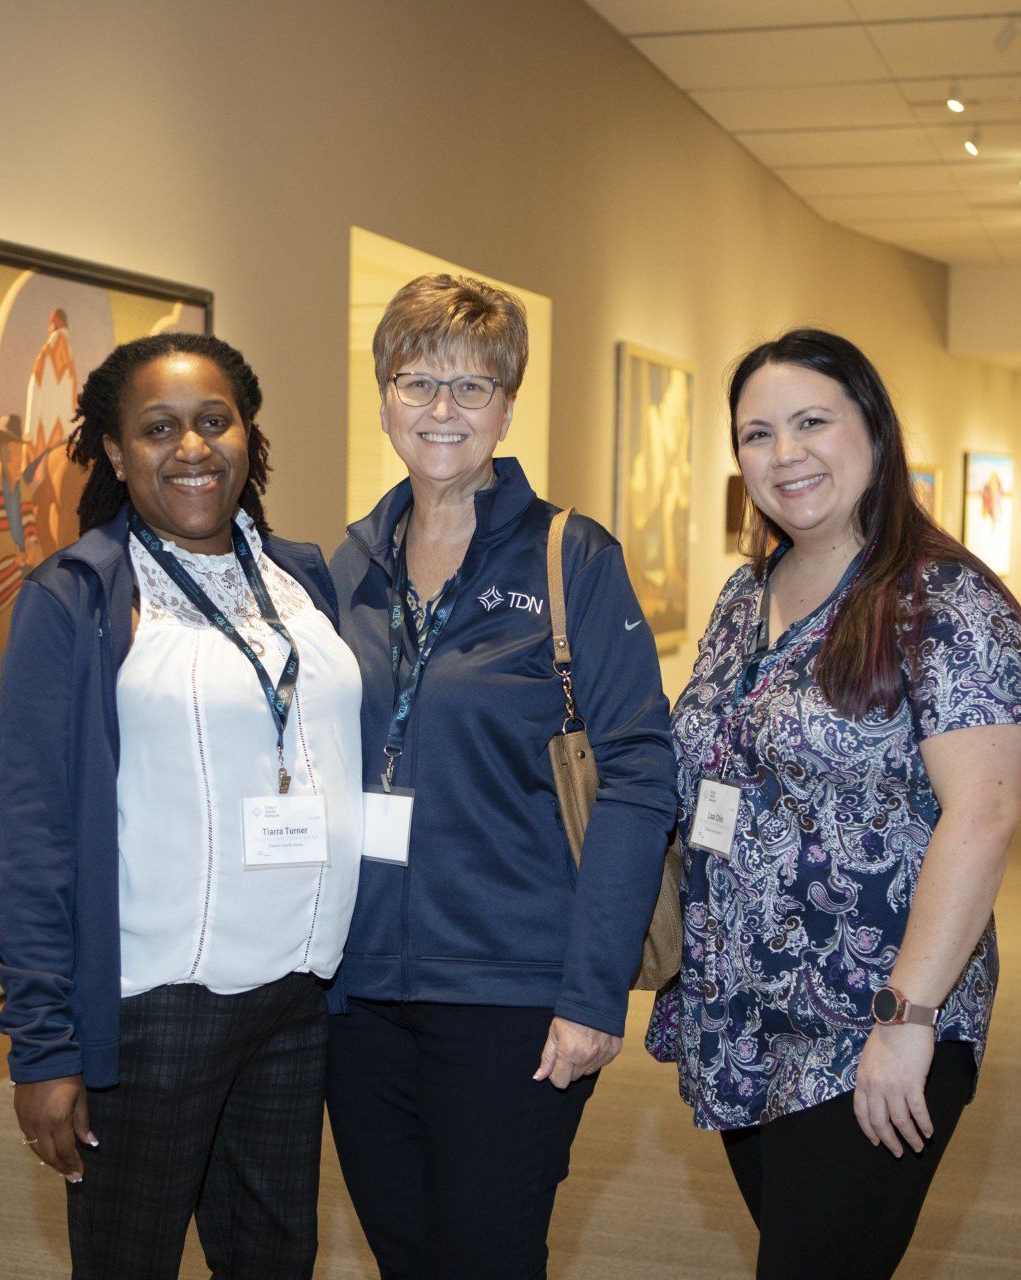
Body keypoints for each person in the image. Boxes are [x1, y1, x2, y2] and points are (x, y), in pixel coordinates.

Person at [646, 329, 1021, 1280]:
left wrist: (908, 1019)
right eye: (757, 434)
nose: (786, 454)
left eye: (812, 422)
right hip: (742, 1012)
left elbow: (980, 818)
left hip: (870, 1016)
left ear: (874, 429)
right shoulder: (749, 593)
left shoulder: (946, 605)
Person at [325, 274, 676, 1279]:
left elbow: (640, 781)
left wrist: (594, 990)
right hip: (358, 997)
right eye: (418, 381)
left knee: (486, 1255)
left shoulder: (573, 558)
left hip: (514, 992)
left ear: (508, 405)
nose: (443, 411)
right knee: (404, 1252)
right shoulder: (347, 567)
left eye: (473, 388)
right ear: (384, 393)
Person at [0, 333, 361, 1280]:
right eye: (158, 429)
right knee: (128, 1260)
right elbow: (33, 841)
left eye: (213, 421)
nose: (191, 448)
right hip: (157, 1008)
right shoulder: (76, 597)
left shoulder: (299, 577)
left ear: (248, 435)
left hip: (298, 997)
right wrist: (43, 1048)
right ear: (115, 453)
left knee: (276, 1256)